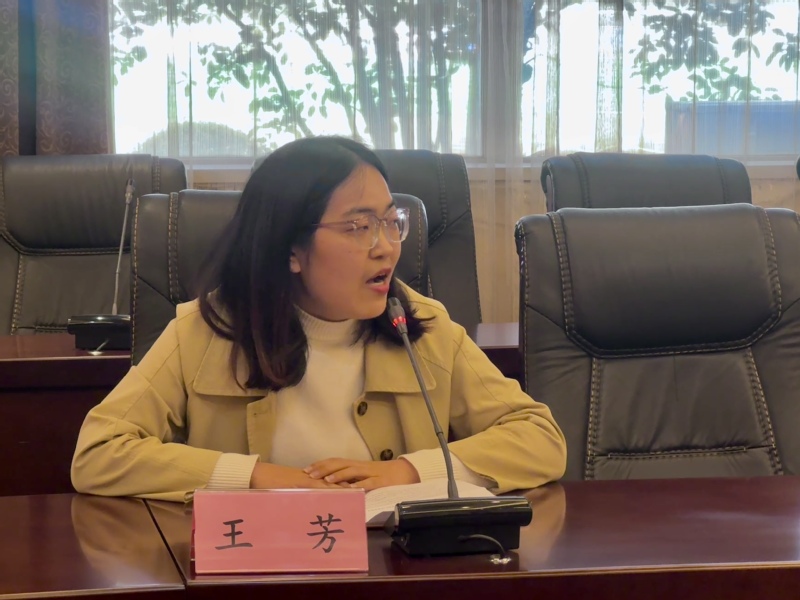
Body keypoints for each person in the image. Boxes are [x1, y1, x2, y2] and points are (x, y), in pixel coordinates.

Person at [71, 137, 566, 502]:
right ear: (290, 248)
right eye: (359, 226)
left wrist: (410, 472)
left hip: (393, 574)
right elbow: (99, 451)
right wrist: (255, 477)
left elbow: (539, 437)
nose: (386, 247)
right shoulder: (204, 331)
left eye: (391, 222)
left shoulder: (422, 327)